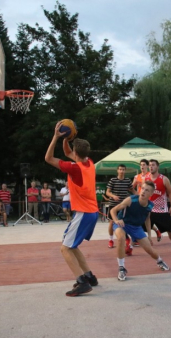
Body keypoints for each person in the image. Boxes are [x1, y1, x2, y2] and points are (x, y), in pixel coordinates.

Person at [45, 121, 99, 297]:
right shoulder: (89, 163)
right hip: (91, 213)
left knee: (65, 248)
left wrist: (56, 136)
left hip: (83, 213)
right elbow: (68, 152)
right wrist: (67, 138)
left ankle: (82, 283)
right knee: (73, 246)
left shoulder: (74, 169)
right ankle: (90, 276)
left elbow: (48, 158)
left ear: (77, 153)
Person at [110, 180, 170, 281]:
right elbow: (113, 210)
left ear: (151, 194)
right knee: (120, 238)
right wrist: (116, 220)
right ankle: (121, 268)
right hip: (122, 223)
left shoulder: (150, 205)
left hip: (136, 227)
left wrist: (150, 235)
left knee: (149, 249)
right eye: (142, 189)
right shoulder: (130, 200)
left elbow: (147, 219)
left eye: (147, 190)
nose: (143, 192)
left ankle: (159, 261)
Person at [146, 159, 171, 253]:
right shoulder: (146, 178)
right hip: (149, 209)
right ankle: (131, 247)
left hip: (161, 210)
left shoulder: (164, 179)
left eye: (153, 165)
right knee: (137, 227)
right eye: (149, 165)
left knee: (170, 230)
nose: (151, 167)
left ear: (157, 167)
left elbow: (170, 193)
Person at [106, 164, 135, 253]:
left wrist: (139, 196)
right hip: (113, 205)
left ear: (125, 171)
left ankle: (126, 238)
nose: (122, 171)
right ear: (117, 171)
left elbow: (132, 190)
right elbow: (107, 192)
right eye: (120, 169)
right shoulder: (113, 180)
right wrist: (113, 196)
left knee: (124, 222)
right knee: (112, 222)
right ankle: (111, 240)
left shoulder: (127, 181)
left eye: (123, 170)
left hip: (123, 205)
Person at [132, 159, 162, 240]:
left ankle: (153, 233)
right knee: (140, 218)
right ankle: (155, 231)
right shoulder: (136, 176)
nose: (142, 166)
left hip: (149, 200)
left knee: (146, 218)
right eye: (141, 165)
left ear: (147, 166)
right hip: (139, 200)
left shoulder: (150, 175)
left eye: (144, 165)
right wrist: (136, 194)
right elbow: (131, 188)